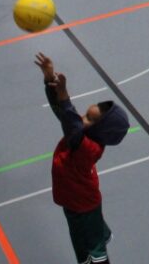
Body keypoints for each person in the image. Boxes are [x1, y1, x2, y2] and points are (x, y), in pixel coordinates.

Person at [35, 53, 129, 264]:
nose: (81, 118)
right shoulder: (83, 134)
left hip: (83, 209)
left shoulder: (87, 147)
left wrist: (64, 93)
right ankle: (98, 235)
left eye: (88, 118)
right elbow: (63, 112)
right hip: (78, 205)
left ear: (101, 130)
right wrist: (50, 80)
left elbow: (68, 118)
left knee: (93, 256)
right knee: (87, 246)